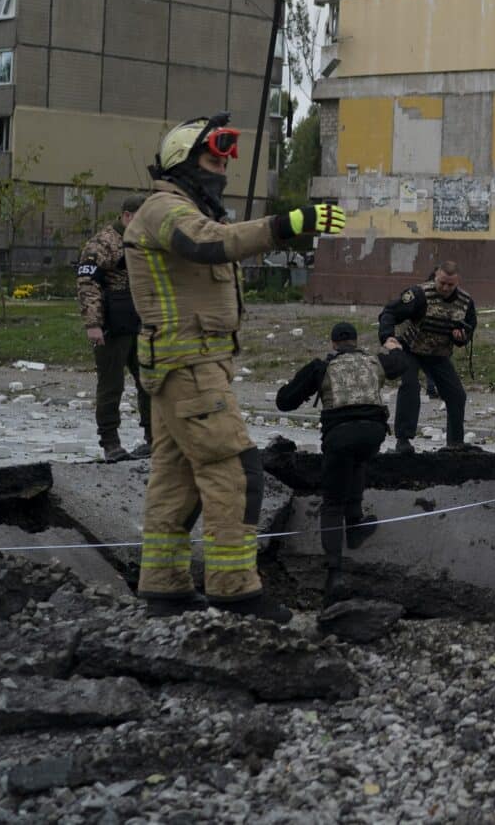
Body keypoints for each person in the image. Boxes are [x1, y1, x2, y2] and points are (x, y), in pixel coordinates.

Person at [124, 112, 345, 622]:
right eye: (212, 159)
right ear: (183, 160)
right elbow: (207, 243)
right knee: (234, 470)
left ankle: (164, 589)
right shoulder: (165, 209)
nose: (220, 170)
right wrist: (287, 223)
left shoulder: (176, 207)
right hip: (190, 364)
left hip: (188, 364)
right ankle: (234, 590)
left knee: (175, 479)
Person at [276, 322, 396, 602]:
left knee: (332, 502)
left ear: (333, 344)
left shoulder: (321, 367)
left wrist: (303, 383)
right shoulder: (374, 361)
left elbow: (285, 402)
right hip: (374, 433)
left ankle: (334, 574)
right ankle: (355, 526)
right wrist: (393, 346)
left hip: (339, 436)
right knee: (357, 461)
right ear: (355, 341)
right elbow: (399, 364)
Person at [77, 194, 153, 462]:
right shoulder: (103, 243)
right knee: (112, 385)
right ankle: (110, 442)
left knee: (149, 382)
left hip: (141, 323)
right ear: (127, 216)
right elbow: (88, 283)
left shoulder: (144, 242)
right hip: (112, 324)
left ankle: (153, 439)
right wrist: (93, 324)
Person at [377, 261, 478, 454]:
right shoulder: (419, 294)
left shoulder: (465, 301)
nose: (445, 288)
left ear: (457, 282)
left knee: (456, 394)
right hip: (411, 349)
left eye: (450, 285)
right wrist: (387, 337)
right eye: (442, 283)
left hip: (438, 354)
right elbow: (389, 312)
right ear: (436, 278)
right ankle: (403, 440)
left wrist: (461, 337)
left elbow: (469, 327)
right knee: (410, 387)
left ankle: (455, 442)